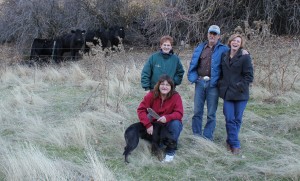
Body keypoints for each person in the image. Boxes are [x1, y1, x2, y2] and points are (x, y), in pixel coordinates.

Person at [187, 25, 229, 140]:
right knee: (197, 111)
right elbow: (193, 63)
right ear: (207, 34)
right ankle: (196, 136)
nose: (212, 36)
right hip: (199, 83)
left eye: (215, 34)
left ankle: (207, 137)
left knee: (211, 113)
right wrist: (194, 77)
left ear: (219, 36)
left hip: (213, 85)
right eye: (211, 33)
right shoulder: (200, 47)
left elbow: (235, 53)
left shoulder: (224, 49)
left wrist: (245, 52)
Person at [218, 34, 254, 154]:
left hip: (240, 94)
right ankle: (236, 145)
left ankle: (230, 141)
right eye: (234, 40)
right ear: (230, 42)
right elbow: (221, 72)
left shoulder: (245, 56)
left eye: (238, 41)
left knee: (237, 119)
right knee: (229, 118)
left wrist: (239, 86)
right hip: (227, 93)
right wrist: (221, 84)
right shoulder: (224, 55)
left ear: (241, 44)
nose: (235, 43)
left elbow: (249, 76)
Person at [137, 74, 183, 162]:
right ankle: (157, 143)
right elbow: (141, 110)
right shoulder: (151, 94)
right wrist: (147, 124)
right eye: (162, 84)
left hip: (168, 123)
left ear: (171, 87)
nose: (164, 87)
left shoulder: (176, 96)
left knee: (176, 123)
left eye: (167, 85)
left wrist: (167, 117)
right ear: (158, 85)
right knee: (147, 119)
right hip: (154, 124)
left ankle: (170, 151)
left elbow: (179, 113)